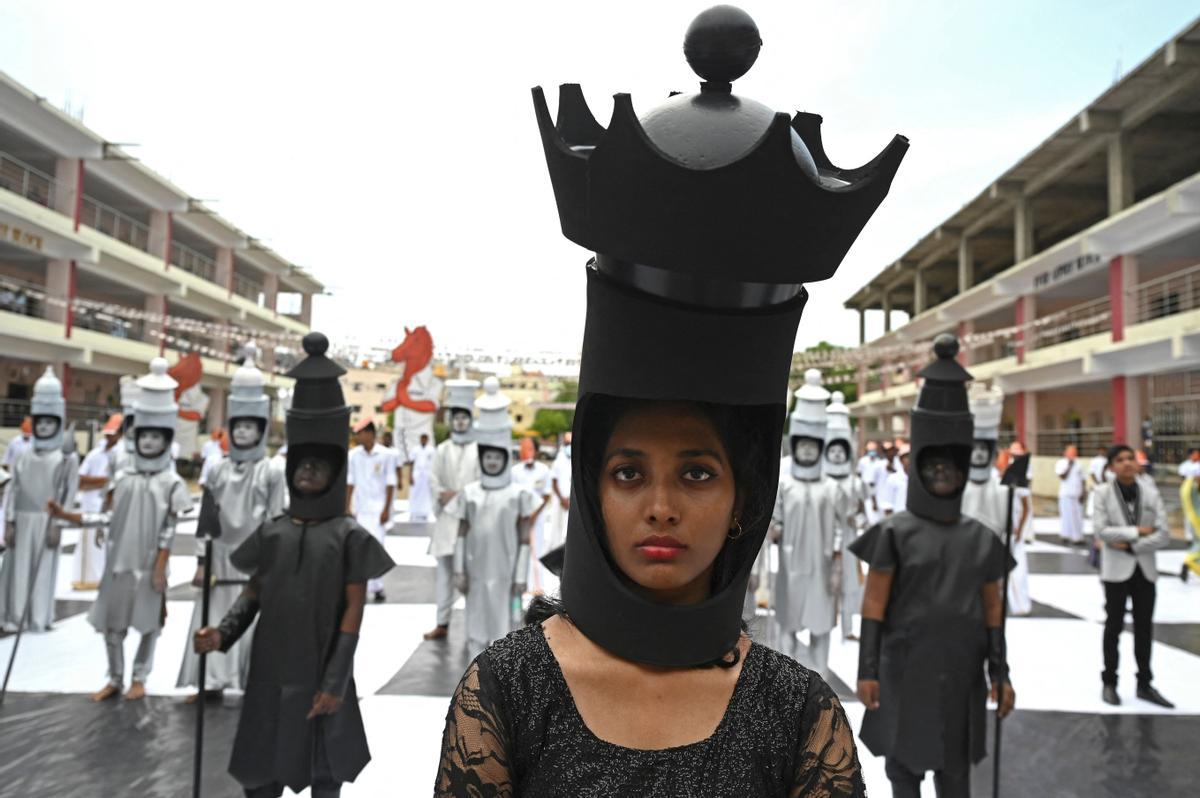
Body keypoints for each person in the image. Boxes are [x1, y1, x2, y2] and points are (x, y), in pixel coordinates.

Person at [436, 6, 905, 792]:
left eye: (695, 473)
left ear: (744, 497)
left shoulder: (801, 714)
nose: (660, 506)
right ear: (589, 483)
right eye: (627, 473)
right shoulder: (504, 695)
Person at [193, 332, 395, 798]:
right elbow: (253, 593)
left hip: (320, 669)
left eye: (317, 465)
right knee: (261, 772)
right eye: (300, 464)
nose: (306, 472)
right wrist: (223, 633)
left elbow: (352, 613)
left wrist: (335, 682)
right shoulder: (273, 531)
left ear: (334, 470)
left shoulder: (350, 537)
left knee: (323, 771)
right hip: (268, 668)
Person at [850, 335, 1014, 798]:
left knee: (956, 771)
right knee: (904, 770)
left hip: (962, 672)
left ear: (964, 468)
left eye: (950, 467)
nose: (941, 474)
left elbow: (993, 610)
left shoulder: (982, 538)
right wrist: (868, 669)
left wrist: (1000, 673)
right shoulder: (894, 532)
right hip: (904, 667)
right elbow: (874, 604)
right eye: (932, 466)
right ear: (918, 465)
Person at [50, 358, 191, 701]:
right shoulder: (123, 476)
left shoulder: (170, 482)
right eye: (145, 435)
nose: (149, 442)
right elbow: (107, 516)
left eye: (157, 437)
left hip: (149, 565)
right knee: (112, 626)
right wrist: (70, 517)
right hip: (118, 563)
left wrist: (161, 562)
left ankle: (140, 676)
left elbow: (170, 527)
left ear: (166, 439)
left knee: (148, 625)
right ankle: (115, 676)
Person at [177, 346, 286, 700]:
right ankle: (209, 682)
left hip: (255, 558)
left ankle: (248, 681)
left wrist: (272, 561)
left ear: (261, 428)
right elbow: (207, 518)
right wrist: (200, 559)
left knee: (251, 620)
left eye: (249, 427)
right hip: (221, 555)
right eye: (237, 427)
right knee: (212, 616)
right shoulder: (218, 468)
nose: (242, 434)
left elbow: (274, 517)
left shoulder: (270, 470)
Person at [449, 378, 535, 657]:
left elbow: (524, 537)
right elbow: (462, 531)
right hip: (475, 571)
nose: (492, 462)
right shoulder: (470, 492)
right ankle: (474, 680)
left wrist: (521, 574)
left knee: (504, 626)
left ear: (505, 459)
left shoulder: (518, 494)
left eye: (497, 457)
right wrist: (460, 569)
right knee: (475, 621)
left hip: (506, 570)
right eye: (487, 457)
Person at [772, 369, 840, 675]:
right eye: (803, 445)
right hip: (791, 563)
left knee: (821, 623)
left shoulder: (831, 487)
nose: (808, 451)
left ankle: (821, 679)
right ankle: (788, 678)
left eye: (814, 446)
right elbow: (776, 520)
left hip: (823, 564)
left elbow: (840, 526)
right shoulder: (786, 484)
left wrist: (837, 558)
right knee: (789, 618)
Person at [1095, 444, 1173, 708]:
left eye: (1131, 458)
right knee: (1113, 627)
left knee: (1144, 627)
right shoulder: (1102, 493)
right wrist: (1138, 531)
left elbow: (1163, 533)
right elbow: (1101, 531)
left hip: (1145, 571)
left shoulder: (1150, 493)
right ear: (1112, 466)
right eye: (1120, 459)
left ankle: (1144, 683)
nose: (1127, 463)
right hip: (1115, 572)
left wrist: (1130, 544)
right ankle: (1109, 682)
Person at [0, 369, 78, 631]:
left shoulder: (66, 459)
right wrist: (9, 522)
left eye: (49, 422)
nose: (44, 427)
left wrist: (59, 522)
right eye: (39, 422)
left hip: (47, 520)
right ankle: (15, 615)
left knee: (42, 569)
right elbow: (14, 489)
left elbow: (69, 492)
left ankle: (38, 616)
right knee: (18, 570)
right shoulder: (22, 454)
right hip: (22, 519)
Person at [424, 378, 480, 641]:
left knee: (472, 577)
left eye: (463, 417)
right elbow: (433, 482)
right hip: (446, 521)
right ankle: (442, 623)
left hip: (470, 523)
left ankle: (473, 627)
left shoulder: (480, 450)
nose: (459, 422)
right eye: (455, 417)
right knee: (444, 575)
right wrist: (445, 496)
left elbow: (481, 485)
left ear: (470, 420)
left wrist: (458, 496)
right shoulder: (442, 449)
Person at [825, 391, 868, 641]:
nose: (838, 456)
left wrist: (858, 521)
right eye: (834, 451)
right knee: (826, 582)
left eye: (842, 452)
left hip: (849, 538)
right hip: (825, 536)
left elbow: (863, 510)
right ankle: (824, 625)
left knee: (851, 584)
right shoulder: (821, 482)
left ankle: (848, 627)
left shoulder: (855, 482)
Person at [346, 418, 395, 603]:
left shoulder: (385, 455)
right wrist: (347, 505)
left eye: (361, 433)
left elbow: (391, 483)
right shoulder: (353, 455)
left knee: (376, 547)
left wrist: (386, 510)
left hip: (377, 509)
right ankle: (359, 587)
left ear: (370, 433)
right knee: (357, 549)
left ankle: (377, 587)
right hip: (360, 509)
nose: (358, 436)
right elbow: (350, 482)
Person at [73, 413, 123, 590]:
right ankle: (89, 579)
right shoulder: (95, 454)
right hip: (92, 507)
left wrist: (97, 482)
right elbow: (80, 480)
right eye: (108, 434)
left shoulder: (123, 455)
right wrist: (104, 481)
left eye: (114, 434)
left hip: (113, 508)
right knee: (90, 545)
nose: (110, 438)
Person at [511, 437, 553, 592]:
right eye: (523, 448)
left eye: (529, 448)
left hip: (537, 517)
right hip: (519, 516)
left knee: (537, 550)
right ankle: (520, 583)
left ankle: (537, 585)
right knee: (520, 549)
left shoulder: (543, 470)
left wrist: (534, 515)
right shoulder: (515, 471)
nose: (526, 452)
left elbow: (546, 494)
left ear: (536, 451)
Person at [547, 431, 572, 550]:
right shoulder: (558, 461)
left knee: (569, 529)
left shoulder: (575, 461)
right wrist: (562, 499)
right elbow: (554, 482)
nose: (569, 446)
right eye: (567, 443)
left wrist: (570, 499)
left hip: (571, 500)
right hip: (559, 500)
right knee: (556, 527)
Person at [1055, 444, 1085, 543]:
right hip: (1065, 494)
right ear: (1065, 453)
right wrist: (1069, 465)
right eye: (1070, 452)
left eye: (1074, 452)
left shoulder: (1079, 463)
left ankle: (1077, 537)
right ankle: (1065, 535)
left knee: (1078, 517)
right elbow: (1062, 476)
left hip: (1077, 494)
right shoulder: (1061, 463)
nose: (1073, 454)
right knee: (1066, 516)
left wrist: (1084, 492)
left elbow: (1083, 479)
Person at [408, 432, 436, 522]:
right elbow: (411, 463)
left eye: (425, 438)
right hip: (417, 473)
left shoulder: (431, 450)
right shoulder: (415, 449)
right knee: (414, 493)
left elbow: (434, 464)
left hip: (427, 474)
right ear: (420, 439)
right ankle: (414, 511)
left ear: (427, 440)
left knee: (426, 494)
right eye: (422, 438)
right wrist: (410, 475)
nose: (423, 440)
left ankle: (425, 512)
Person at [878, 444, 910, 516]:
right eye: (907, 457)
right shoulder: (893, 479)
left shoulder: (918, 479)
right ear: (901, 460)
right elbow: (887, 505)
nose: (910, 460)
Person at [1177, 448, 1200, 543]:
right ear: (1190, 455)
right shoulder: (1185, 465)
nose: (1197, 455)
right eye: (1195, 454)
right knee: (1189, 513)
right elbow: (1182, 479)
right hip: (1189, 492)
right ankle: (1189, 535)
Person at [1086, 446, 1109, 518]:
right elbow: (1092, 472)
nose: (1102, 452)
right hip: (1096, 483)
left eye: (1104, 450)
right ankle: (1091, 514)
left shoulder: (1107, 460)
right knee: (1093, 497)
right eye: (1101, 450)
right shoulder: (1094, 460)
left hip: (1106, 483)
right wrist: (1097, 482)